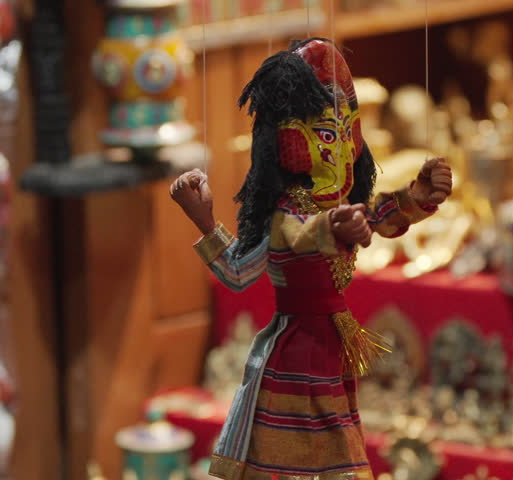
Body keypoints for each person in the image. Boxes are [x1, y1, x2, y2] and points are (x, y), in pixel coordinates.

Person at [170, 38, 452, 480]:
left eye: (344, 133)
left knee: (337, 460)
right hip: (294, 357)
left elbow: (378, 216)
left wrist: (416, 198)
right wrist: (205, 222)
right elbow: (242, 270)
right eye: (325, 134)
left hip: (328, 353)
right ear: (290, 139)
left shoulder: (337, 207)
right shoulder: (288, 213)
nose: (337, 148)